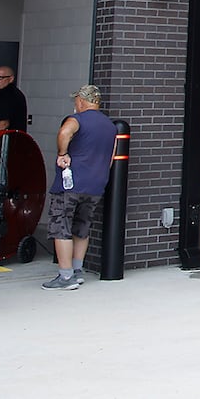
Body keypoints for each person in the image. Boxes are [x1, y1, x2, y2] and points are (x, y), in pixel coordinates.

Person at [42, 84, 116, 290]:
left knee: (61, 226)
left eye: (76, 101)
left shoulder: (77, 119)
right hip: (96, 185)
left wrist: (62, 154)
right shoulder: (110, 126)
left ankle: (65, 277)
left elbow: (65, 132)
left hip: (71, 183)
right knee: (82, 227)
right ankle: (77, 270)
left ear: (81, 102)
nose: (75, 104)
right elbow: (110, 158)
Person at [0, 65, 29, 131]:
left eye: (0, 77)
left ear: (11, 79)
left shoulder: (8, 94)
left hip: (4, 139)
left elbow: (4, 123)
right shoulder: (10, 94)